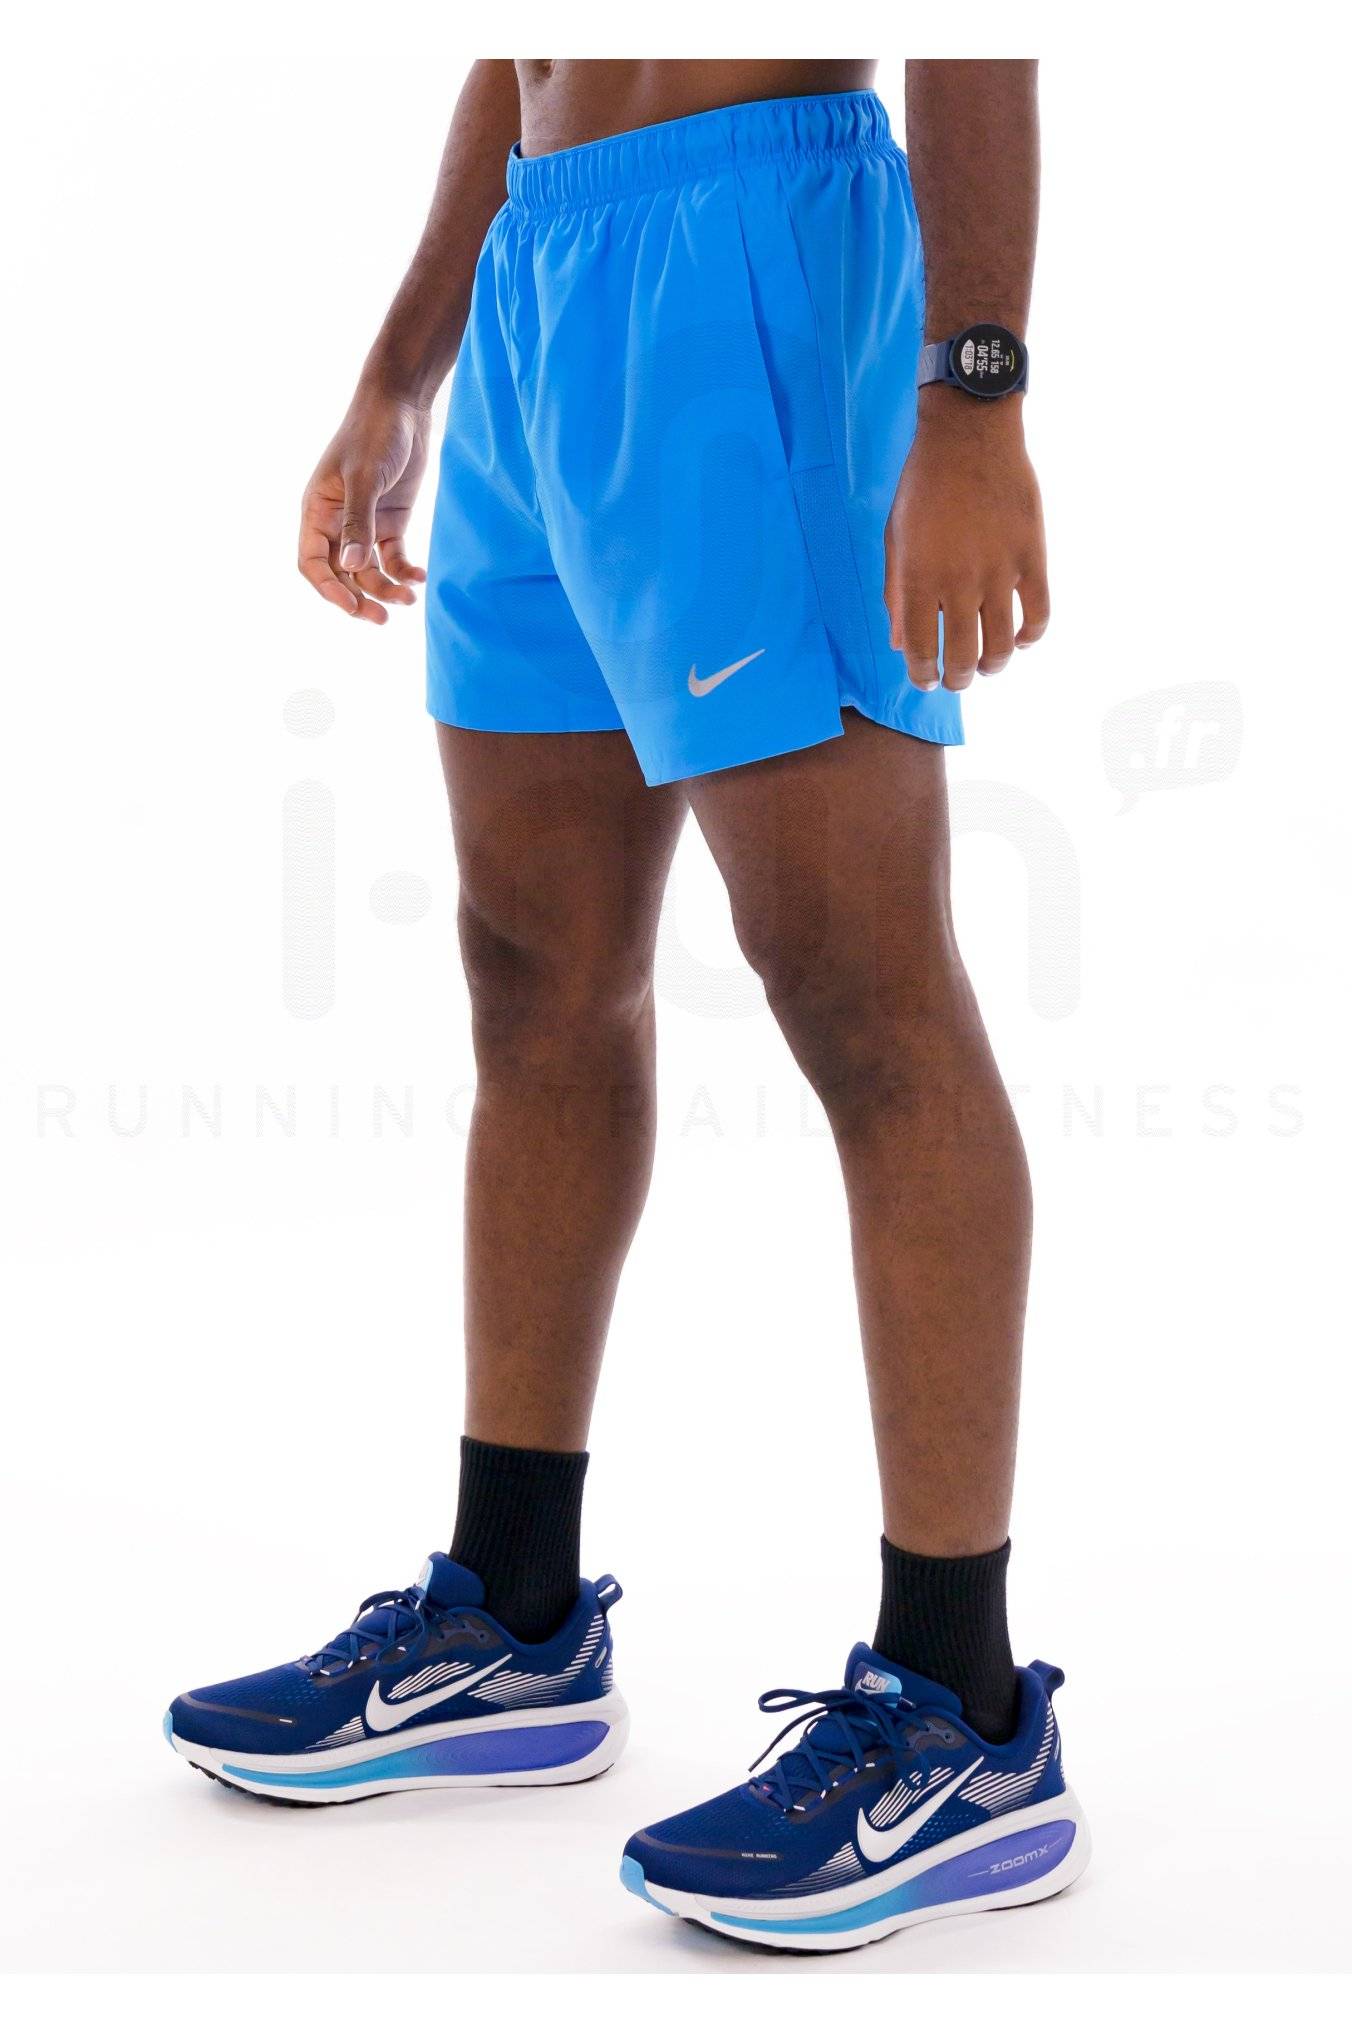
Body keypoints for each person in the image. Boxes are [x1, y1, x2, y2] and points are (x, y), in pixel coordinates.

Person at [164, 57, 1090, 1952]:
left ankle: (964, 1705)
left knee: (860, 991)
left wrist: (974, 397)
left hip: (757, 259)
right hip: (543, 280)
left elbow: (981, 34)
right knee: (532, 972)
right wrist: (407, 366)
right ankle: (510, 1615)